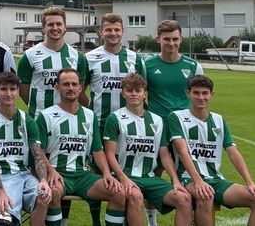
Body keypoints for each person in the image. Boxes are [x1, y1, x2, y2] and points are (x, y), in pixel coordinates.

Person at [31, 69, 132, 226]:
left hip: (81, 176)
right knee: (53, 192)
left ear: (80, 88)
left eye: (74, 84)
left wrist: (107, 173)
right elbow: (39, 151)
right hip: (58, 173)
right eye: (66, 84)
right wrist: (51, 171)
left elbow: (97, 150)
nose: (70, 88)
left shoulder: (90, 116)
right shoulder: (46, 116)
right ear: (57, 87)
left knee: (118, 193)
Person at [167, 76, 255, 226]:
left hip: (216, 179)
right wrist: (198, 181)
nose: (201, 97)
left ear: (212, 95)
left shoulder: (219, 120)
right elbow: (182, 152)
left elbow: (233, 152)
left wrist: (250, 182)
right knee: (206, 195)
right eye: (196, 93)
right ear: (188, 94)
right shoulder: (176, 117)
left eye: (205, 93)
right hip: (188, 178)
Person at [102, 74, 192, 226]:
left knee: (184, 199)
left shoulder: (157, 120)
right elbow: (109, 153)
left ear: (145, 93)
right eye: (129, 90)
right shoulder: (115, 118)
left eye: (138, 90)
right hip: (124, 175)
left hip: (150, 178)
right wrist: (123, 177)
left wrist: (175, 180)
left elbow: (164, 154)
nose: (134, 94)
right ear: (123, 93)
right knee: (136, 196)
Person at [82, 13, 146, 226]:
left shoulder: (134, 58)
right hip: (99, 124)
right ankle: (95, 221)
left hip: (127, 128)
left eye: (117, 29)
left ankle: (126, 217)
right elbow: (80, 91)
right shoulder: (90, 58)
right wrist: (90, 112)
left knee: (124, 171)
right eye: (108, 29)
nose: (113, 33)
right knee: (97, 173)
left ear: (122, 32)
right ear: (101, 31)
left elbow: (143, 89)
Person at [0, 72, 58, 225]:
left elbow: (37, 155)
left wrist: (43, 180)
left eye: (12, 89)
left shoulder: (27, 120)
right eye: (3, 89)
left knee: (43, 198)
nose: (8, 93)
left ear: (17, 91)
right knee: (4, 218)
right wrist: (0, 191)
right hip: (2, 175)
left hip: (24, 174)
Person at [19, 7, 86, 117]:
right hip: (39, 118)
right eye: (50, 24)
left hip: (68, 117)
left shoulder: (78, 57)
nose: (55, 28)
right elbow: (23, 92)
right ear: (43, 28)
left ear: (65, 27)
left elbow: (80, 90)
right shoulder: (29, 55)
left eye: (59, 24)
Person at [143, 20, 204, 119]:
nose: (171, 43)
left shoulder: (194, 66)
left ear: (181, 39)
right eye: (166, 39)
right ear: (158, 39)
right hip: (157, 123)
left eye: (175, 39)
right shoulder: (146, 65)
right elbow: (138, 95)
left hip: (185, 123)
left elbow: (200, 97)